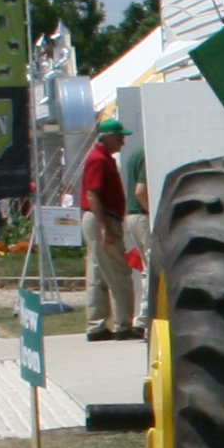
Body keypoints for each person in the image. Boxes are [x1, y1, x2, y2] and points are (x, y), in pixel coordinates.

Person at [80, 110, 139, 340]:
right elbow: (92, 194)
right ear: (108, 137)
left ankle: (96, 325)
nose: (123, 141)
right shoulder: (99, 159)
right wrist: (105, 227)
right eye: (120, 137)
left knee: (97, 274)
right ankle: (124, 324)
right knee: (118, 273)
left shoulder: (101, 158)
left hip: (96, 218)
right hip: (102, 218)